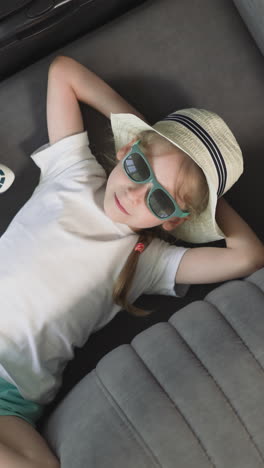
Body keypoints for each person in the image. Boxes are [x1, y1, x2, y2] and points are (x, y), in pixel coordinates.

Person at [0, 55, 263, 468]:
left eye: (158, 199)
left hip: (13, 399)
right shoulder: (74, 171)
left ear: (173, 220)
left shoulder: (149, 261)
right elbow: (63, 72)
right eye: (138, 168)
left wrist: (203, 205)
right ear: (126, 151)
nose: (136, 194)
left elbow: (248, 257)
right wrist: (147, 133)